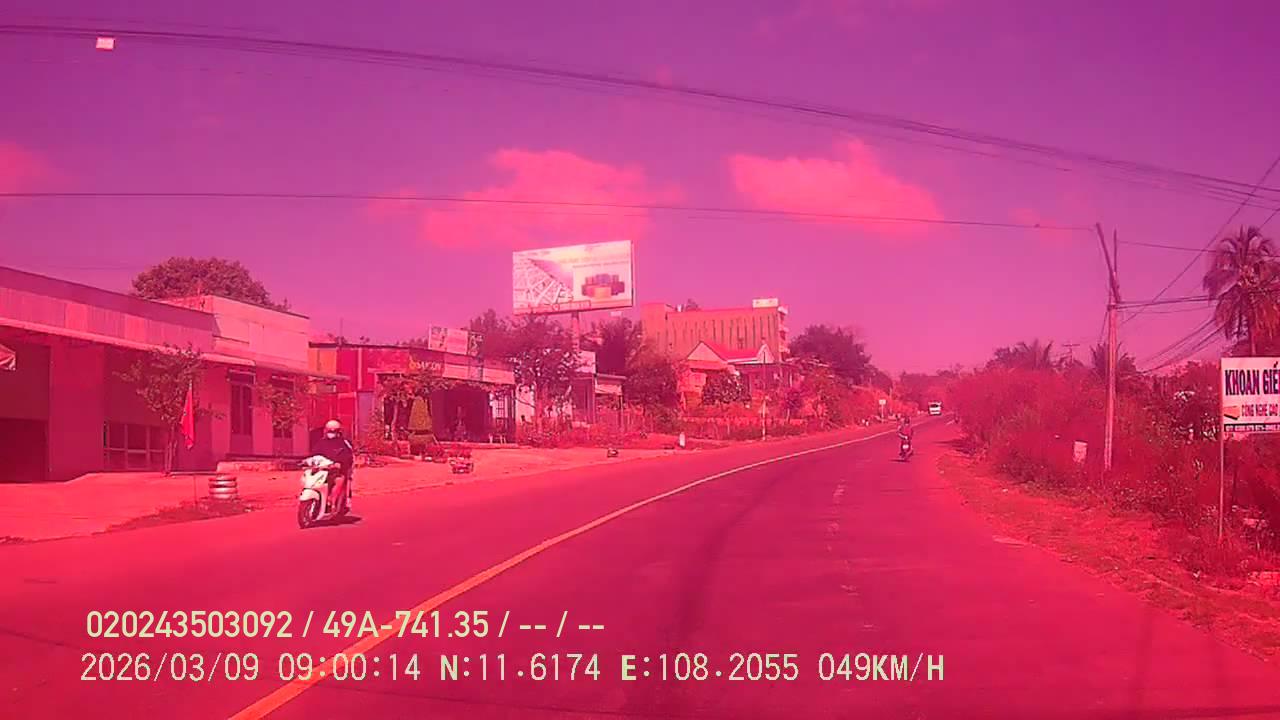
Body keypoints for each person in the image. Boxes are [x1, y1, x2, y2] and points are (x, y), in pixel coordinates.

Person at [312, 419, 354, 511]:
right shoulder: (321, 442)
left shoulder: (343, 443)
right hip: (322, 470)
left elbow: (348, 456)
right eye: (329, 430)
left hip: (337, 471)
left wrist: (340, 463)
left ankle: (331, 501)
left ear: (338, 431)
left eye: (334, 431)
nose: (331, 433)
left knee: (339, 480)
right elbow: (314, 454)